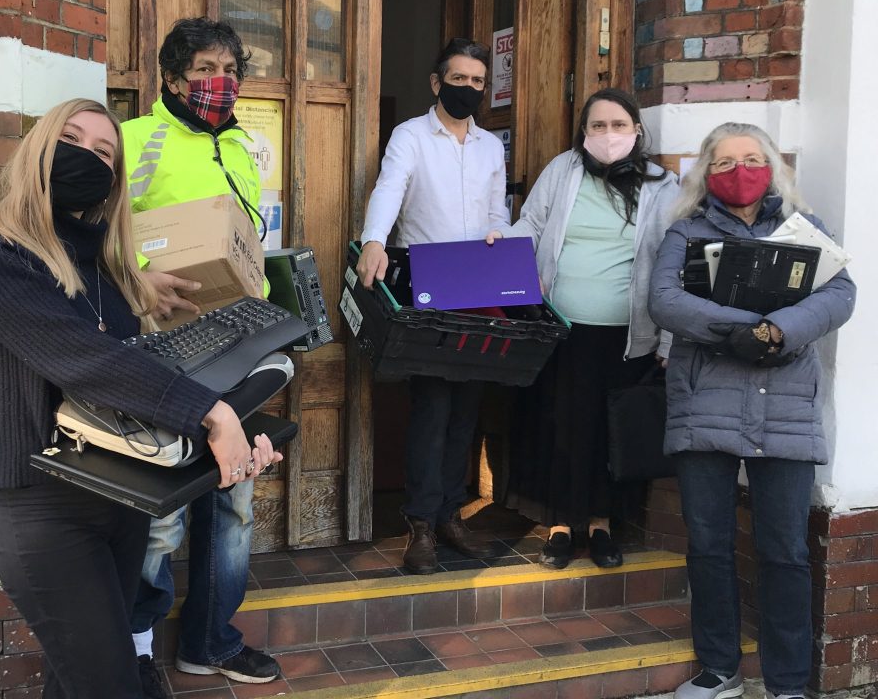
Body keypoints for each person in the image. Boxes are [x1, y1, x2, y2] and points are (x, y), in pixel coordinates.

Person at [0, 98, 279, 698]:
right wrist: (212, 414)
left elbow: (138, 388)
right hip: (48, 514)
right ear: (39, 150)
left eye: (105, 152)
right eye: (72, 140)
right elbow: (88, 360)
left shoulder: (110, 273)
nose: (88, 157)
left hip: (123, 501)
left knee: (77, 682)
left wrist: (228, 448)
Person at [648, 122, 855, 699]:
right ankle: (720, 670)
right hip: (704, 404)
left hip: (785, 406)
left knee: (785, 550)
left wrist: (777, 331)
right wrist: (746, 329)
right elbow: (664, 300)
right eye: (723, 163)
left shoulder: (803, 229)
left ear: (771, 165)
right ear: (705, 175)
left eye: (751, 158)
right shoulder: (685, 233)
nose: (739, 172)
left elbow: (841, 294)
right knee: (708, 545)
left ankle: (788, 683)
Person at [121, 17, 282, 692]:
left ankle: (210, 642)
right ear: (171, 77)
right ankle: (132, 650)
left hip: (238, 339)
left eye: (228, 69)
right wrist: (137, 279)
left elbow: (255, 237)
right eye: (204, 69)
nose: (219, 82)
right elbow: (98, 237)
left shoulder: (245, 147)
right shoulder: (134, 141)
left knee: (234, 495)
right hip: (161, 347)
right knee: (161, 514)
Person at [486, 87, 679, 570]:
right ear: (584, 132)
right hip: (561, 329)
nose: (608, 135)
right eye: (598, 126)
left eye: (618, 126)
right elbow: (530, 224)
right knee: (561, 428)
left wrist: (670, 340)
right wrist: (501, 242)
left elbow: (676, 266)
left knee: (607, 433)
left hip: (626, 336)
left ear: (637, 131)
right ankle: (559, 526)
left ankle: (601, 525)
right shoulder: (563, 170)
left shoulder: (663, 187)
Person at [356, 37, 508, 574]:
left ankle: (449, 515)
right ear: (436, 82)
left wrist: (502, 242)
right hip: (428, 283)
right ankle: (419, 523)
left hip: (482, 287)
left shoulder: (491, 147)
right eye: (459, 79)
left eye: (478, 82)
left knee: (467, 407)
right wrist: (373, 239)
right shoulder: (410, 136)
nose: (468, 89)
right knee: (432, 408)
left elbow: (499, 212)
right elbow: (388, 189)